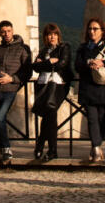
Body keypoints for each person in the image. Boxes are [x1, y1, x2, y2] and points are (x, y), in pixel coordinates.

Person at [0, 20, 32, 175]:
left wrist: (12, 79)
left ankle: (6, 147)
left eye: (8, 31)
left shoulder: (23, 49)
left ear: (12, 31)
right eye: (3, 31)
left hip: (10, 90)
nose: (6, 34)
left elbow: (27, 72)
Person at [76, 18, 105, 162]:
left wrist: (103, 63)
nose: (92, 31)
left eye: (95, 29)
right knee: (92, 118)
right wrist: (89, 63)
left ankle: (97, 145)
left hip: (103, 89)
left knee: (101, 118)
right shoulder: (83, 48)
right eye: (90, 29)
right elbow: (77, 65)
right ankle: (96, 147)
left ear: (102, 31)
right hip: (88, 87)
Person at [31, 23, 73, 161]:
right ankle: (49, 149)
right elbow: (35, 67)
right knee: (49, 115)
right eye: (49, 34)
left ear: (58, 36)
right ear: (45, 37)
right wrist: (50, 62)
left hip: (59, 85)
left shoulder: (64, 47)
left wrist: (44, 63)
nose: (52, 37)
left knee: (50, 111)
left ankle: (43, 146)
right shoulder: (43, 50)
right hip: (43, 86)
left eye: (55, 34)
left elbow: (62, 64)